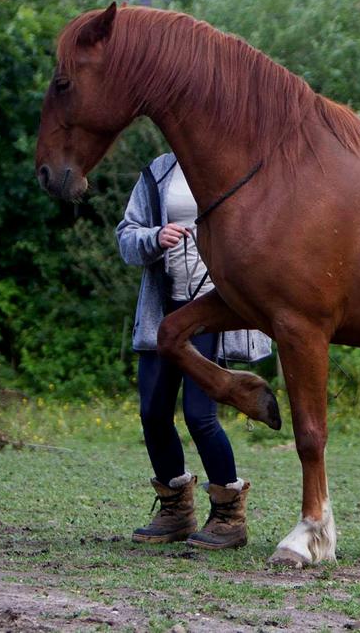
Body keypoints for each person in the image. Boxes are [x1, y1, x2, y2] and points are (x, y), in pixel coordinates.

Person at [116, 152, 250, 549]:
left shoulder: (233, 163)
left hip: (210, 310)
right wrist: (155, 238)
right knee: (153, 413)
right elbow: (126, 235)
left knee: (199, 415)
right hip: (163, 309)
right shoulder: (159, 171)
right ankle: (175, 510)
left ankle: (229, 516)